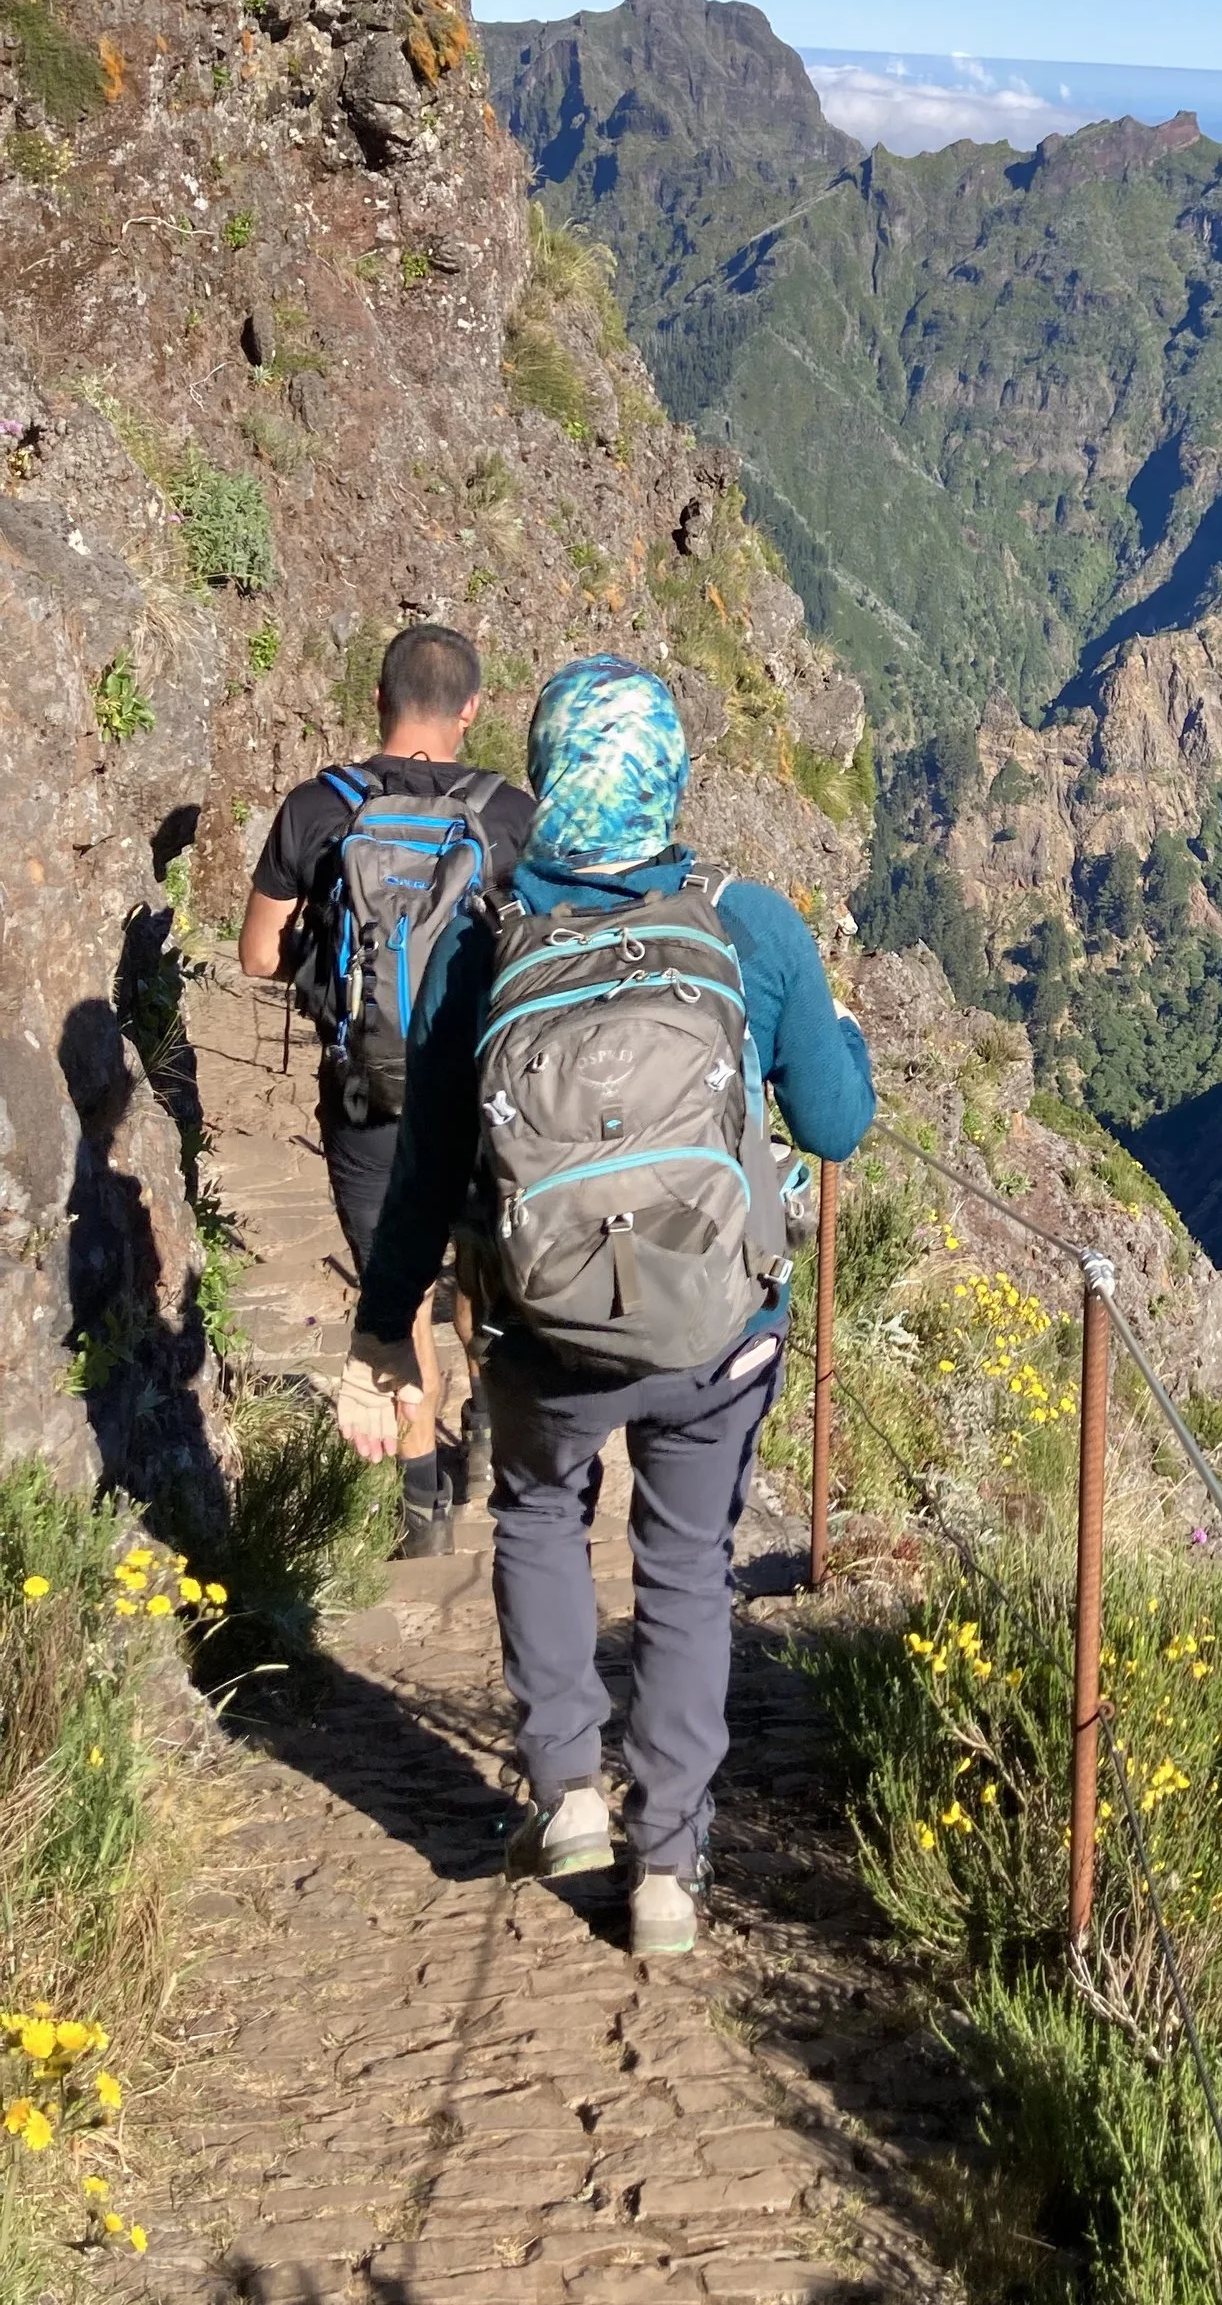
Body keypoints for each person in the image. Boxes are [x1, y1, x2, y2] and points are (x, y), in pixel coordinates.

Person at [338, 658, 873, 1958]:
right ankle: (671, 1867)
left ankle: (568, 1790)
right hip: (716, 1326)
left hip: (538, 1320)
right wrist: (833, 1033)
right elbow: (839, 1120)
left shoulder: (487, 941)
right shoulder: (751, 924)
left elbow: (426, 1158)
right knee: (689, 1565)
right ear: (672, 780)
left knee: (534, 1512)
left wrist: (383, 1319)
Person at [239, 621, 534, 1554]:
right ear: (471, 711)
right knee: (480, 1266)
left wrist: (347, 971)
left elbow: (256, 954)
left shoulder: (317, 807)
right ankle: (483, 1427)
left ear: (379, 699)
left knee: (395, 1294)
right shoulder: (512, 818)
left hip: (366, 1098)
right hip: (484, 1095)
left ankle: (422, 1519)